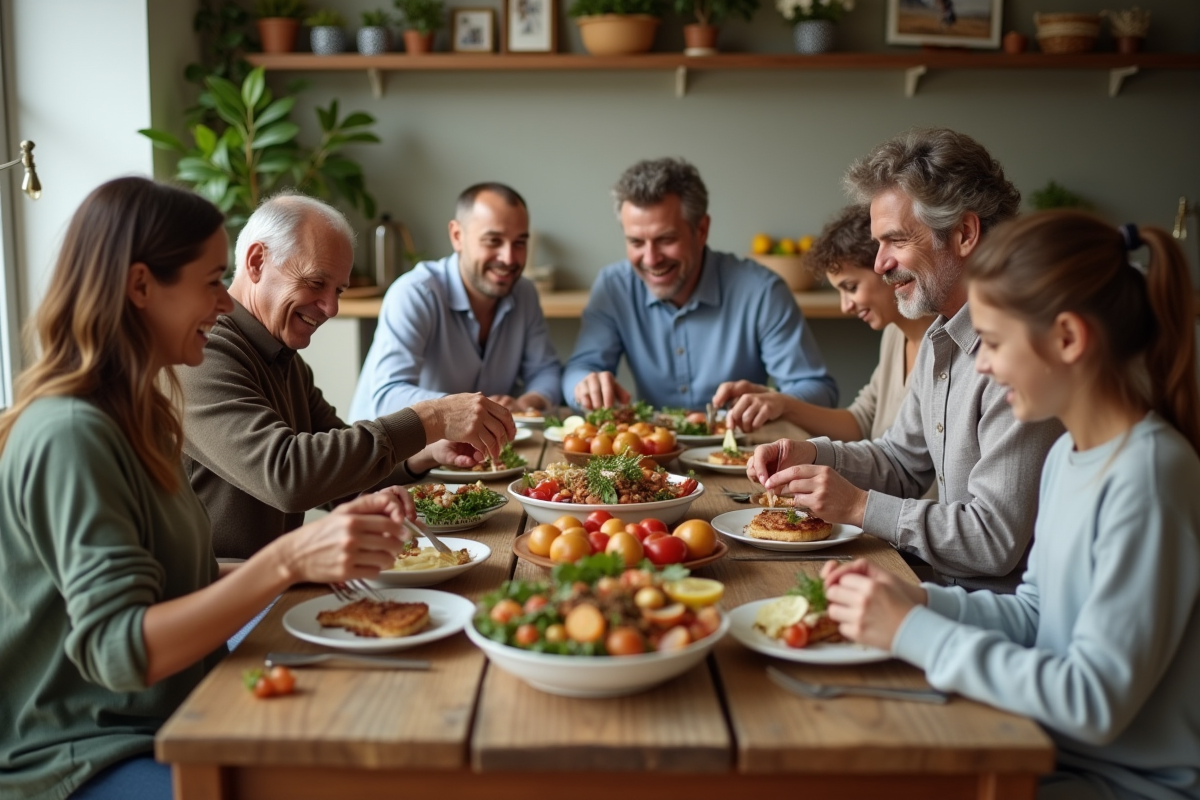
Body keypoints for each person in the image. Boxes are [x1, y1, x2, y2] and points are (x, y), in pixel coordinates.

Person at [0, 177, 414, 800]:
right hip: (85, 752)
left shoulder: (139, 413)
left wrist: (312, 561)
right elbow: (121, 651)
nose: (226, 304)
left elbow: (180, 584)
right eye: (212, 282)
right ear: (142, 287)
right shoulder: (71, 433)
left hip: (181, 710)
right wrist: (286, 560)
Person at [821, 211, 1200, 800]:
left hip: (1120, 783)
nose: (983, 364)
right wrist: (919, 600)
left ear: (1069, 339)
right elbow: (1034, 616)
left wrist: (915, 631)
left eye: (994, 343)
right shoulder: (1067, 457)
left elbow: (1091, 701)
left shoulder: (1148, 476)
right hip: (1044, 751)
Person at [748, 128, 1062, 593]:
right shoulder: (941, 335)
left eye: (894, 241)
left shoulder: (1018, 354)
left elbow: (994, 540)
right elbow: (900, 461)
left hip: (998, 621)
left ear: (964, 233)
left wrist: (857, 507)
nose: (879, 264)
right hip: (942, 592)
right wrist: (812, 454)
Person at [178, 193, 515, 560]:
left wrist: (424, 453)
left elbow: (338, 479)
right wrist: (431, 418)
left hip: (274, 586)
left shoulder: (282, 357)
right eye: (315, 282)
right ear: (257, 262)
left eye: (338, 290)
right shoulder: (202, 351)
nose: (331, 307)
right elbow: (289, 476)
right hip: (222, 601)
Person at [562, 157, 837, 412]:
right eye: (636, 242)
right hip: (650, 455)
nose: (650, 259)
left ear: (702, 230)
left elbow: (818, 390)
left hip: (741, 454)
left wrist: (776, 402)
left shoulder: (761, 290)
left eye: (666, 239)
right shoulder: (614, 287)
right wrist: (584, 385)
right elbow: (579, 369)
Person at [715, 204, 934, 439]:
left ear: (886, 265)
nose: (845, 306)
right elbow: (861, 420)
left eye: (851, 287)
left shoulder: (940, 346)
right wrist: (780, 404)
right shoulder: (895, 333)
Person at [349, 183, 561, 421]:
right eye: (493, 241)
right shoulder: (415, 293)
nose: (509, 258)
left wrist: (525, 403)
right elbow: (387, 398)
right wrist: (466, 409)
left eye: (519, 242)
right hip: (390, 454)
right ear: (457, 236)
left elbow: (546, 371)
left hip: (474, 452)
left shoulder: (524, 293)